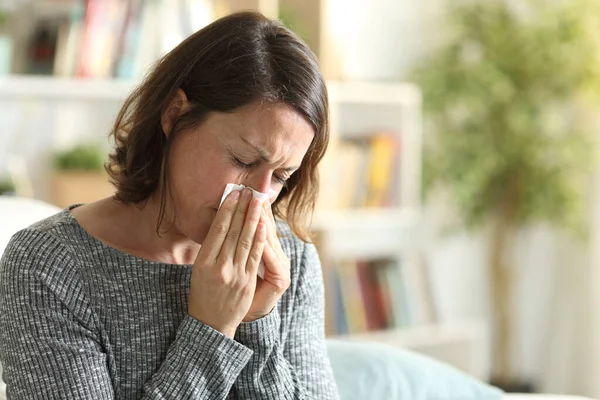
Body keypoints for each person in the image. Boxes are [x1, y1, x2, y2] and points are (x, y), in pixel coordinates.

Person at [0, 11, 340, 400]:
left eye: (280, 176)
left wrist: (256, 323)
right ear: (174, 114)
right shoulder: (49, 266)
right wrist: (211, 330)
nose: (258, 197)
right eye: (244, 161)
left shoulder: (288, 262)